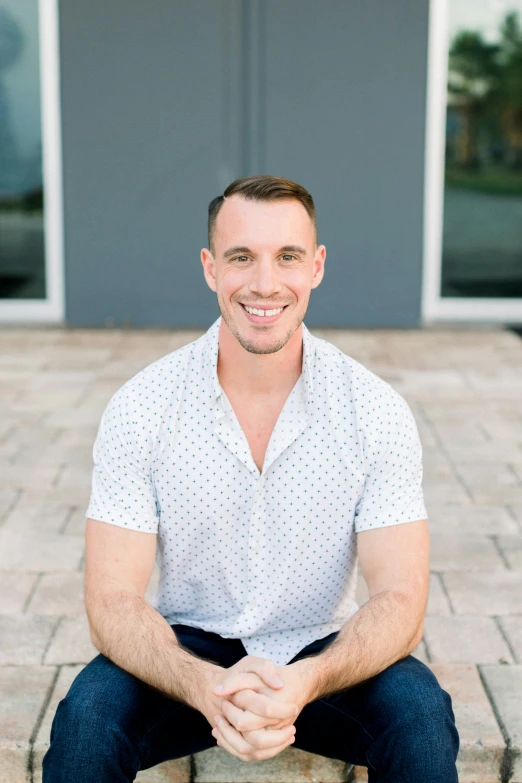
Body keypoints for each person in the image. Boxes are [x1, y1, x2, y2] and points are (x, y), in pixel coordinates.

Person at [42, 175, 459, 782]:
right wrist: (205, 685)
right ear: (211, 268)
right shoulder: (144, 406)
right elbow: (111, 602)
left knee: (421, 717)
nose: (265, 283)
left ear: (316, 266)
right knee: (86, 721)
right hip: (189, 657)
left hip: (323, 658)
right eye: (242, 257)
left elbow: (401, 599)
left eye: (287, 256)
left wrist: (307, 680)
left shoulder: (373, 410)